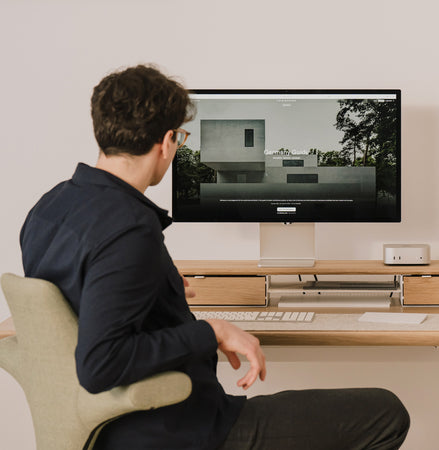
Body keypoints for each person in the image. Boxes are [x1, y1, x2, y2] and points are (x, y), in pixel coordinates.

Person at [19, 64, 410, 449]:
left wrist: (159, 286)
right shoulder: (129, 228)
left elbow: (81, 300)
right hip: (178, 430)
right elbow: (101, 363)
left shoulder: (50, 207)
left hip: (106, 428)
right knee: (386, 413)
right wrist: (214, 331)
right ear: (167, 141)